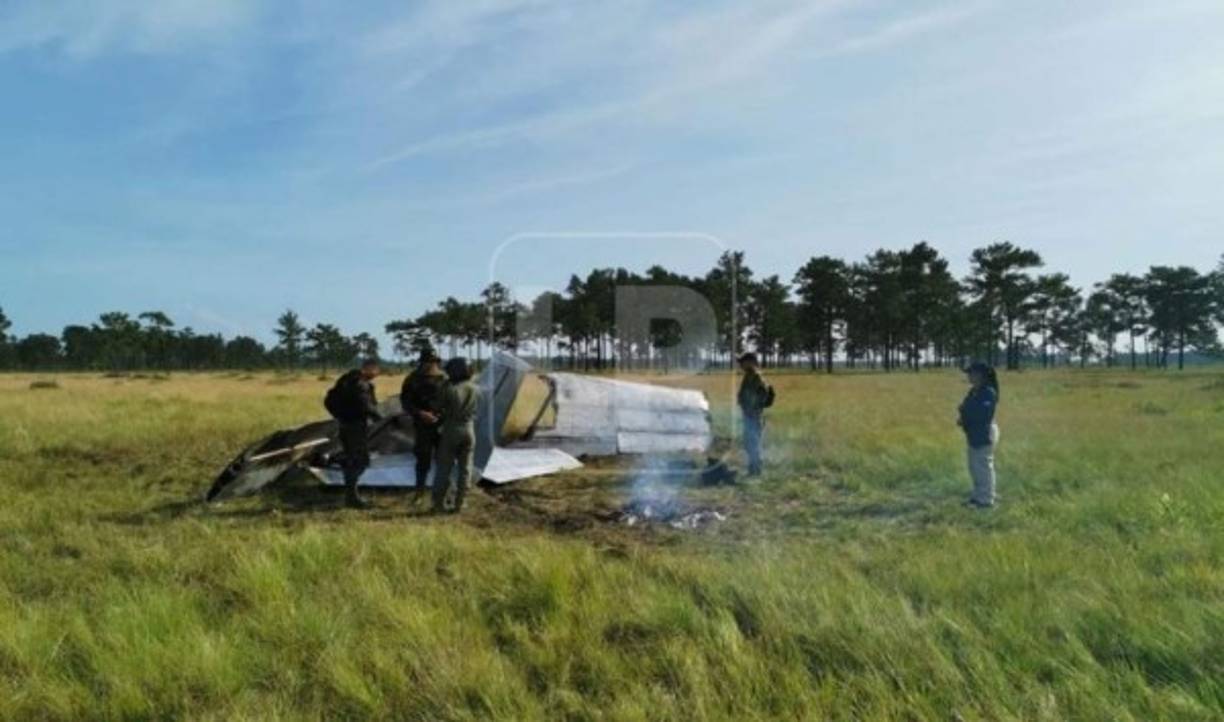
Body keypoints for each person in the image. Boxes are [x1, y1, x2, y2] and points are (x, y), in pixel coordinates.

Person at [326, 358, 383, 508]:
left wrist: (340, 417)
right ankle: (352, 497)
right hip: (356, 426)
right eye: (376, 370)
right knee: (360, 460)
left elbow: (329, 401)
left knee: (353, 458)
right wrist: (379, 417)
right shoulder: (360, 384)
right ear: (369, 368)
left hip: (345, 425)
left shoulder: (345, 380)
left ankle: (351, 494)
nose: (377, 374)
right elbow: (365, 405)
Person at [432, 357, 479, 514]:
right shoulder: (475, 388)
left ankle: (439, 504)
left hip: (452, 429)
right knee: (466, 468)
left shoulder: (449, 388)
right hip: (470, 430)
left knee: (444, 467)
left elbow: (437, 407)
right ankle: (461, 503)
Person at [400, 348, 447, 494]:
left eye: (433, 361)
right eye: (427, 361)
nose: (430, 364)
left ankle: (442, 490)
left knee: (444, 459)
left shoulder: (444, 378)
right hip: (422, 426)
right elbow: (406, 402)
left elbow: (452, 401)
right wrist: (420, 413)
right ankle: (419, 490)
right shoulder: (412, 379)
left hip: (442, 426)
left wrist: (440, 415)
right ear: (421, 362)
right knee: (422, 458)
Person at [958, 360, 1000, 508]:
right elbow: (966, 408)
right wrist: (963, 417)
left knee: (983, 466)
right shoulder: (974, 391)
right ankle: (978, 496)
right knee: (974, 466)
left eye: (971, 373)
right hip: (974, 432)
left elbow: (983, 414)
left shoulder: (988, 392)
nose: (968, 376)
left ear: (980, 375)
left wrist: (965, 414)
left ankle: (986, 501)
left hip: (984, 431)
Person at [737, 352, 772, 477]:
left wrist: (753, 409)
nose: (740, 364)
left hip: (754, 415)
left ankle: (756, 470)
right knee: (749, 442)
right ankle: (753, 469)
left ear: (751, 362)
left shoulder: (756, 377)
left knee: (753, 442)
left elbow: (762, 395)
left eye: (743, 362)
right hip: (748, 414)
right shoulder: (748, 376)